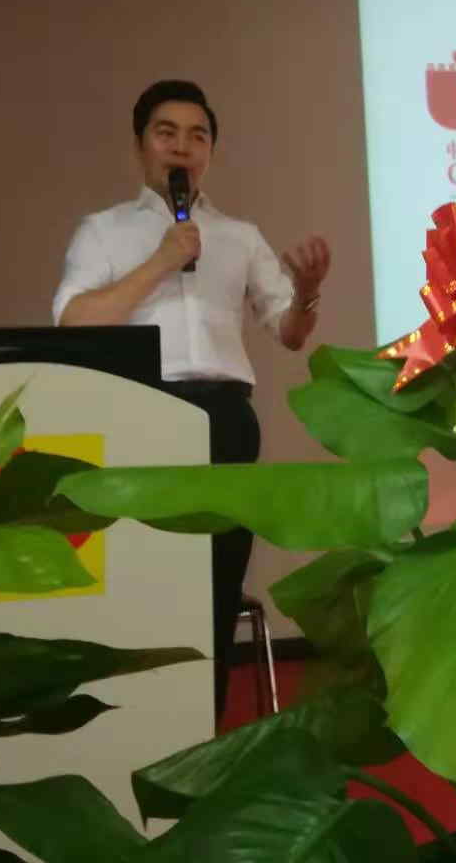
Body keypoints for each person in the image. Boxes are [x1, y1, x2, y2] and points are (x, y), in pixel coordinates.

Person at [52, 79, 330, 720]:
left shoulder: (239, 235)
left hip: (225, 420)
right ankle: (135, 726)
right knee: (145, 583)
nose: (182, 147)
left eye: (197, 136)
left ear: (210, 153)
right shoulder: (103, 232)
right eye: (167, 133)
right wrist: (161, 260)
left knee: (216, 587)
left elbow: (289, 331)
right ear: (140, 146)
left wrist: (309, 291)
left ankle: (200, 726)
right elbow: (73, 320)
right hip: (139, 416)